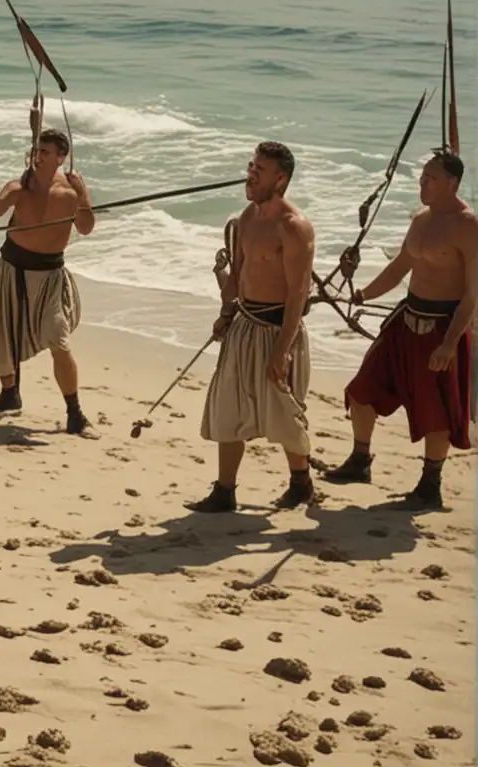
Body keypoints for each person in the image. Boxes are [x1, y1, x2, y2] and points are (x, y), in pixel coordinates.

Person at [325, 148, 475, 509]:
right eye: (422, 176)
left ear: (452, 183)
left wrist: (450, 343)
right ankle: (360, 462)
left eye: (431, 178)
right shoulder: (421, 219)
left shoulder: (468, 225)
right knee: (362, 390)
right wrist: (361, 294)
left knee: (436, 411)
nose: (423, 182)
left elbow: (472, 294)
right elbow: (397, 271)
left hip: (443, 328)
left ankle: (430, 485)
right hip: (405, 320)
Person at [191, 141, 317, 514]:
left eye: (259, 170)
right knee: (227, 408)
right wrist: (225, 310)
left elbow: (298, 295)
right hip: (244, 325)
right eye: (250, 165)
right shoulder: (248, 218)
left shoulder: (294, 227)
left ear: (280, 179)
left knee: (284, 415)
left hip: (279, 330)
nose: (250, 173)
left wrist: (282, 350)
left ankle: (301, 483)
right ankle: (224, 491)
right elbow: (239, 281)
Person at [0, 127, 95, 432]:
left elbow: (85, 228)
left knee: (58, 338)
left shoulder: (71, 193)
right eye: (36, 151)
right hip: (12, 269)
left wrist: (84, 196)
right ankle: (9, 394)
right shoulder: (20, 187)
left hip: (50, 277)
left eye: (45, 152)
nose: (38, 156)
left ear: (61, 157)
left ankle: (74, 412)